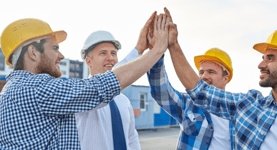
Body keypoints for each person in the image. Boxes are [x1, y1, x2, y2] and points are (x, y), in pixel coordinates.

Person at [0, 13, 170, 149]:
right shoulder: (35, 89)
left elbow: (131, 139)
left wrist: (138, 50)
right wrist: (156, 50)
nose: (61, 56)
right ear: (33, 52)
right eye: (54, 48)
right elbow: (102, 86)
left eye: (113, 53)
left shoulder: (14, 90)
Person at [164, 26, 277, 149]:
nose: (261, 65)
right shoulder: (248, 105)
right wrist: (173, 45)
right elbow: (199, 91)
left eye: (270, 58)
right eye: (263, 58)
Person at [147, 8, 234, 150]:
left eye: (211, 72)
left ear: (226, 78)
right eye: (201, 72)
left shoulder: (238, 110)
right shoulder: (188, 104)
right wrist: (156, 52)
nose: (204, 76)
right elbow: (161, 91)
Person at [75, 30, 142, 150]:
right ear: (89, 61)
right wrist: (139, 49)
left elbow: (131, 139)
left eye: (113, 53)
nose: (110, 58)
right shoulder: (80, 96)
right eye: (103, 53)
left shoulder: (124, 101)